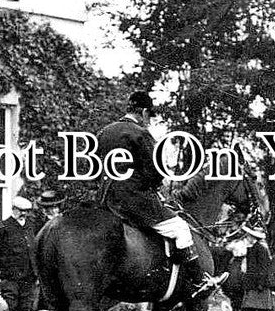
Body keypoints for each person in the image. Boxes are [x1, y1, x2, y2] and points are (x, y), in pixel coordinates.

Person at [96, 91, 226, 297]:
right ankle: (199, 280)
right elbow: (155, 171)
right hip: (135, 199)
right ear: (145, 112)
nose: (150, 121)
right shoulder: (140, 134)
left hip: (107, 198)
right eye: (150, 116)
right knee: (180, 227)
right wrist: (155, 187)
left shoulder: (104, 133)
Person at [0, 196, 37, 311]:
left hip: (29, 278)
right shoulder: (3, 228)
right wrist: (7, 268)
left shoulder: (31, 227)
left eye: (26, 211)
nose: (23, 214)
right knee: (11, 308)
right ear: (13, 209)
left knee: (27, 310)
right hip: (11, 279)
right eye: (20, 211)